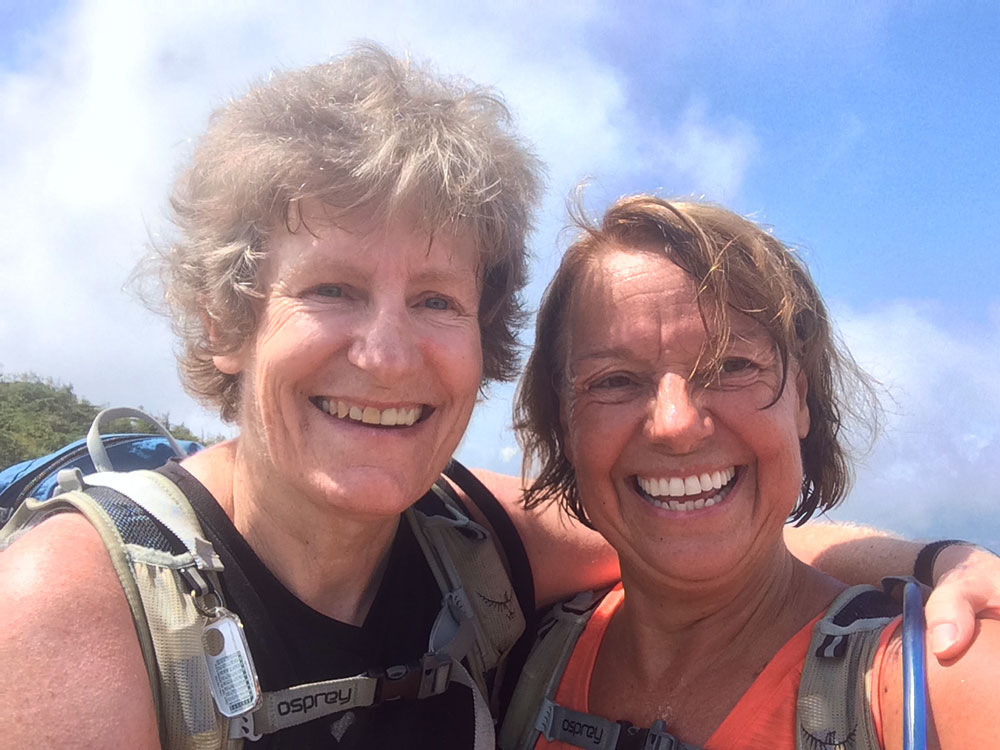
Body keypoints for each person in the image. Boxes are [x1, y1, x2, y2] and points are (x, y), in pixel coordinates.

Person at [0, 46, 996, 750]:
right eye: (331, 290)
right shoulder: (72, 611)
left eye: (434, 299)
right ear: (226, 323)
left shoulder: (475, 546)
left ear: (483, 342)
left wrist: (939, 560)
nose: (387, 356)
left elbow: (713, 533)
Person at [501, 195, 1000, 749]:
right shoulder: (515, 653)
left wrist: (946, 558)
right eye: (615, 380)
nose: (675, 425)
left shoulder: (943, 687)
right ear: (564, 424)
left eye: (731, 366)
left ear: (802, 400)